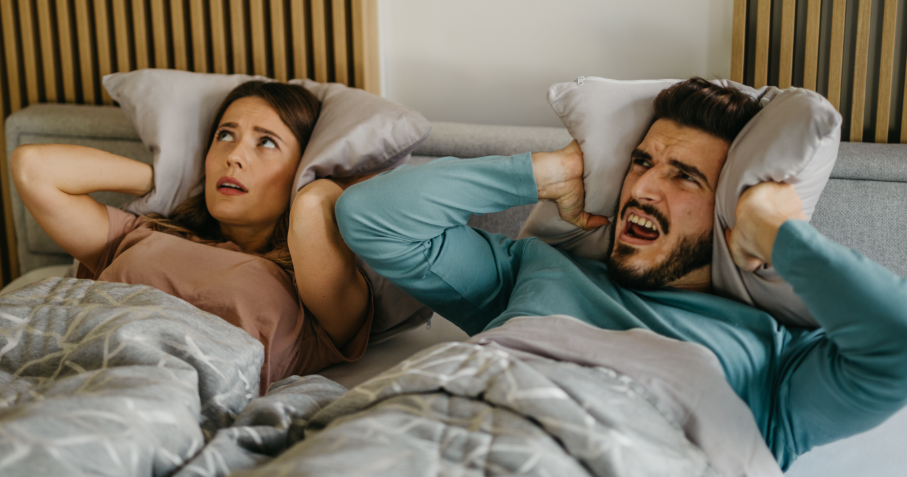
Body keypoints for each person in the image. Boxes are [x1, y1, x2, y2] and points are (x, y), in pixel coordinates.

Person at [334, 78, 907, 469]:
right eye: (641, 161)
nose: (643, 189)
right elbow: (370, 219)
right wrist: (546, 172)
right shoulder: (535, 270)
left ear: (728, 213)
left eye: (685, 177)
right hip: (420, 426)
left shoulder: (778, 358)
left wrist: (777, 235)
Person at [11, 81, 373, 395]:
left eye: (266, 142)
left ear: (301, 168)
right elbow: (32, 166)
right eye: (225, 135)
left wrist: (311, 182)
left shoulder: (305, 284)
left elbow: (312, 208)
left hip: (150, 394)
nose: (233, 156)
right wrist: (173, 181)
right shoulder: (141, 231)